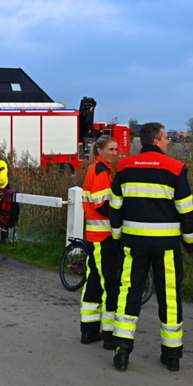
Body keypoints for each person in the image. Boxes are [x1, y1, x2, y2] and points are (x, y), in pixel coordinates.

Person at [109, 123, 193, 373]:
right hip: (166, 244)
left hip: (132, 241)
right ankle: (171, 356)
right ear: (157, 141)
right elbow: (187, 211)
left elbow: (114, 206)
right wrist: (190, 242)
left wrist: (117, 235)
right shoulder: (176, 168)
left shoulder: (124, 166)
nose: (169, 142)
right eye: (167, 138)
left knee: (128, 291)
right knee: (169, 295)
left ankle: (122, 351)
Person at [79, 135, 120, 348]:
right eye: (111, 149)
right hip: (104, 236)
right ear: (99, 151)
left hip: (94, 236)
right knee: (110, 283)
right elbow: (103, 205)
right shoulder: (101, 172)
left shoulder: (96, 170)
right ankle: (109, 334)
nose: (116, 153)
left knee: (94, 281)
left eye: (116, 149)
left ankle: (88, 330)